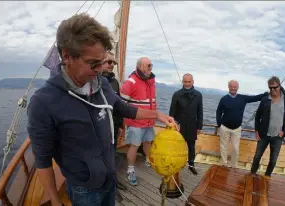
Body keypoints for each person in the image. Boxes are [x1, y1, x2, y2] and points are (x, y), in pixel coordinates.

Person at [27, 13, 177, 206]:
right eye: (93, 63)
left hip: (109, 178)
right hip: (84, 189)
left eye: (102, 61)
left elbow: (123, 108)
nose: (100, 69)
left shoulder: (101, 85)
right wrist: (55, 201)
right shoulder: (44, 102)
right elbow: (43, 159)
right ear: (67, 56)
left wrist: (157, 115)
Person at [120, 57, 156, 186]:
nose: (151, 68)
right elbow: (121, 105)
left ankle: (148, 159)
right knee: (134, 146)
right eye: (149, 66)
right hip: (135, 123)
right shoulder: (130, 82)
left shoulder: (151, 82)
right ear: (141, 66)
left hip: (149, 122)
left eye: (151, 65)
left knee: (148, 142)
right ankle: (130, 171)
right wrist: (122, 124)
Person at [216, 80, 268, 168]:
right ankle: (224, 163)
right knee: (223, 146)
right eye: (231, 86)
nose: (233, 88)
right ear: (229, 87)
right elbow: (218, 111)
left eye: (235, 87)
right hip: (224, 127)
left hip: (236, 129)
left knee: (235, 148)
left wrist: (265, 94)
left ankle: (234, 165)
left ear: (237, 87)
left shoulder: (242, 98)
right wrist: (219, 124)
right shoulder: (224, 99)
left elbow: (254, 98)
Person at [251, 76, 285, 177]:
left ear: (279, 86)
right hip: (263, 135)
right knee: (257, 156)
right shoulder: (265, 100)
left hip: (277, 137)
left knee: (273, 160)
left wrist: (284, 131)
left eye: (275, 87)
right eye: (270, 88)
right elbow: (257, 116)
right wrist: (256, 131)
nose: (273, 90)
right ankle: (252, 174)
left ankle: (267, 177)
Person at [101, 51, 127, 192]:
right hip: (101, 127)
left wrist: (122, 123)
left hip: (114, 126)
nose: (112, 65)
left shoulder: (115, 82)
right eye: (109, 62)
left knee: (112, 154)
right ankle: (107, 186)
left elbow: (119, 105)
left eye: (114, 63)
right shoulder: (94, 81)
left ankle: (113, 182)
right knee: (103, 157)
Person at [169, 73, 203, 175]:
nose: (187, 84)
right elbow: (172, 112)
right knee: (177, 146)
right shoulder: (176, 94)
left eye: (189, 81)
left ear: (193, 82)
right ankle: (175, 163)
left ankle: (191, 165)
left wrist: (199, 126)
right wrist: (172, 124)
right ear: (182, 82)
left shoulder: (198, 95)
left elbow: (200, 111)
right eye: (185, 81)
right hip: (179, 125)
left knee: (191, 146)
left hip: (192, 124)